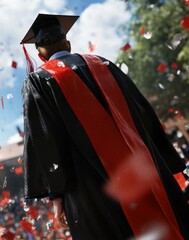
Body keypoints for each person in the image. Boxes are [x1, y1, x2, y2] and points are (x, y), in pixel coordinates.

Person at [20, 14, 189, 239]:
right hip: (141, 169)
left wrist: (57, 197)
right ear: (68, 44)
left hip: (92, 190)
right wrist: (164, 163)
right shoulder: (102, 63)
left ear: (41, 55)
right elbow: (142, 112)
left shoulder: (38, 82)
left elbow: (45, 141)